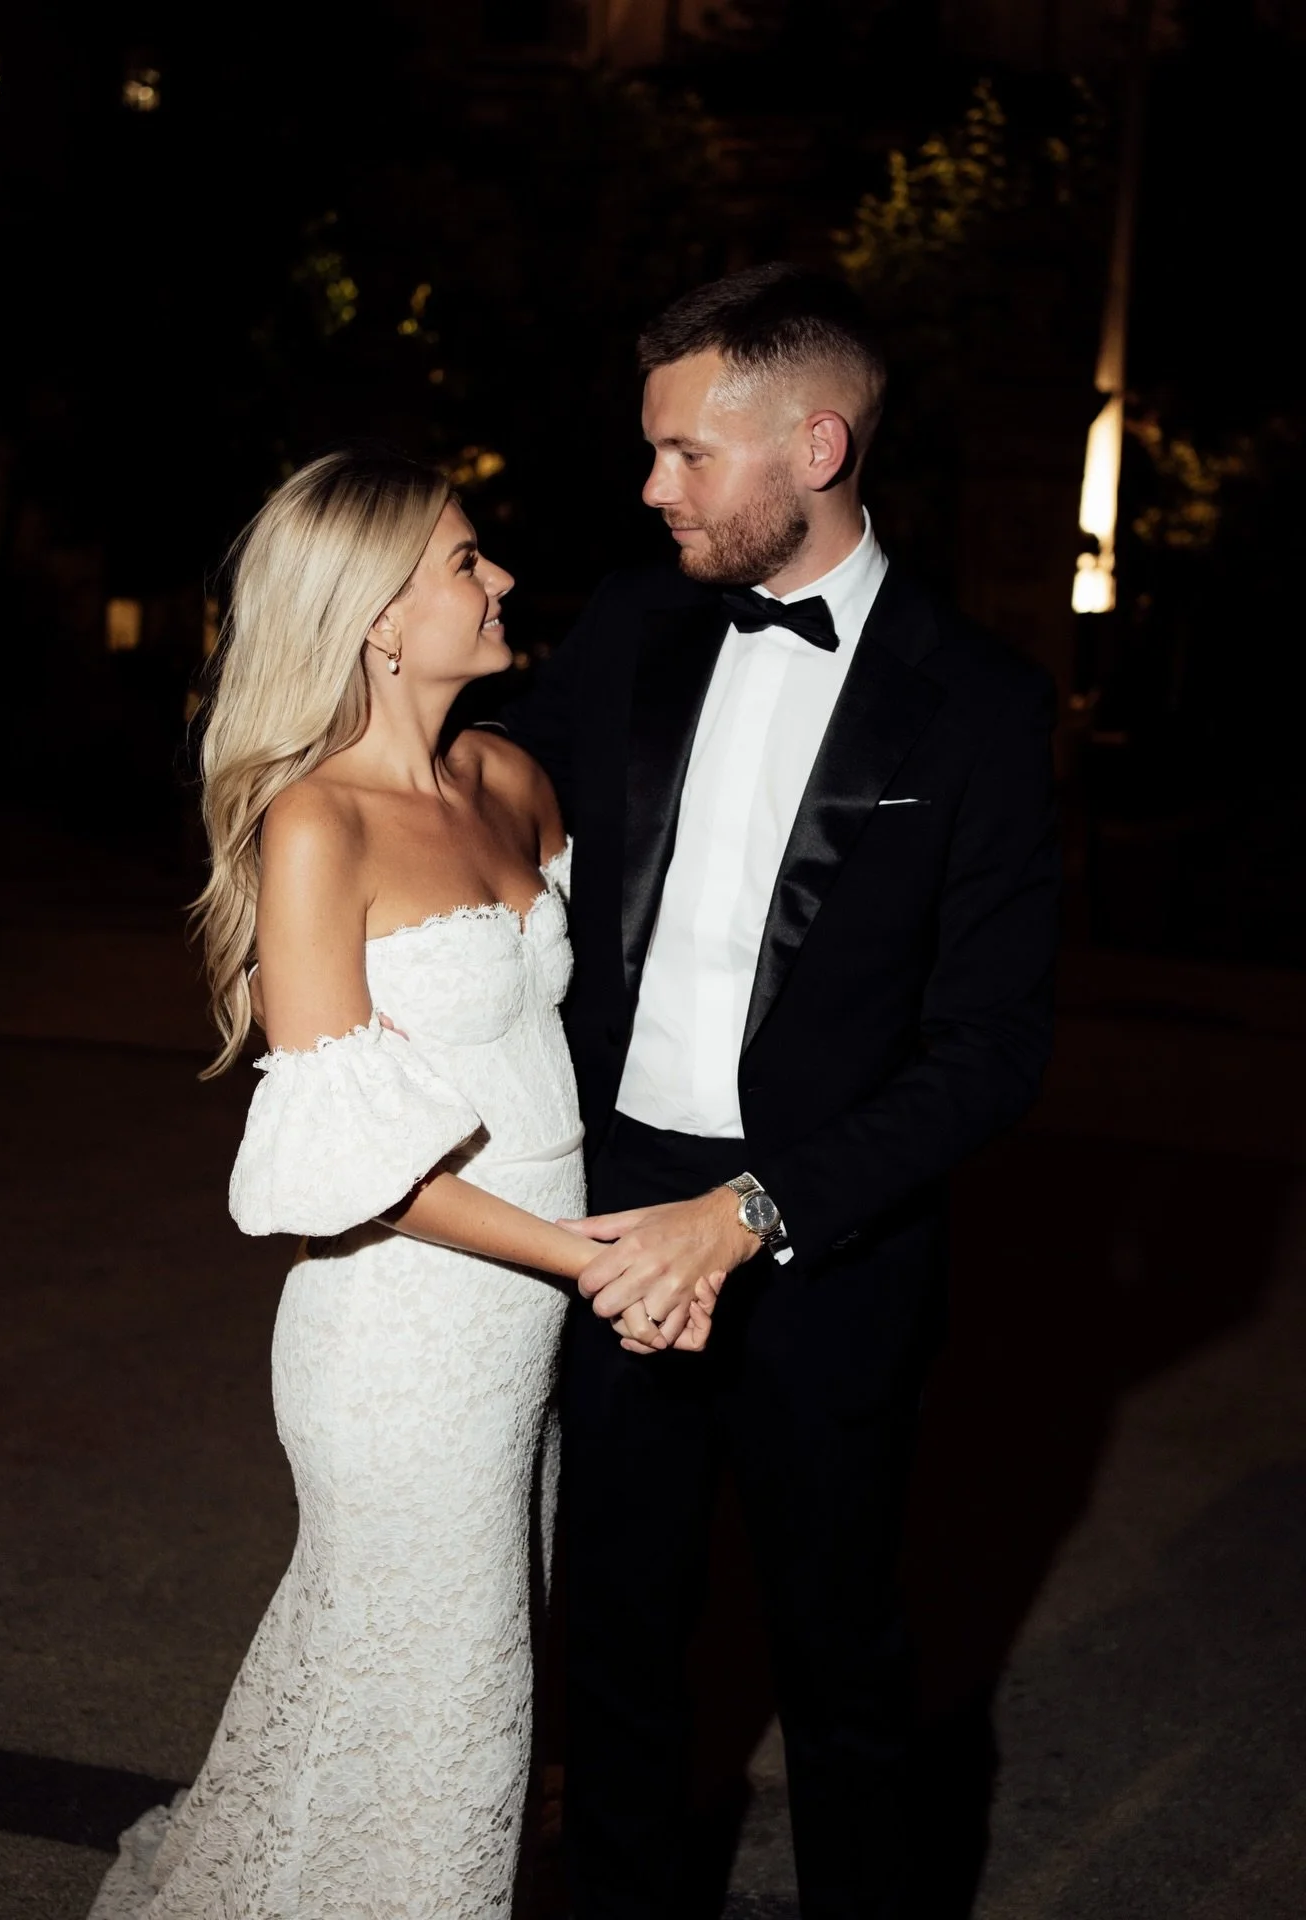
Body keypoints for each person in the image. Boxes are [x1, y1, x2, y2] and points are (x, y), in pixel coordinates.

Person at [88, 446, 721, 1920]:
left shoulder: (507, 776)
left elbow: (583, 1042)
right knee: (454, 1724)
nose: (498, 578)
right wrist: (596, 1262)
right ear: (377, 615)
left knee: (445, 1699)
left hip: (525, 1334)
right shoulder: (317, 825)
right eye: (462, 559)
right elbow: (354, 1165)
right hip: (399, 1340)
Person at [499, 263, 1060, 1918]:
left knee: (845, 1667)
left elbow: (992, 1049)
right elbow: (471, 808)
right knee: (612, 1651)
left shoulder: (981, 706)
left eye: (687, 454)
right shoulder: (629, 626)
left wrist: (753, 1214)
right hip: (610, 1223)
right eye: (653, 451)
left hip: (832, 1239)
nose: (652, 486)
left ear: (815, 444)